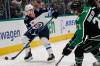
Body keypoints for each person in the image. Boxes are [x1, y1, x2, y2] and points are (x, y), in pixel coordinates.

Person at [62, 0, 100, 66]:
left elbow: (80, 38)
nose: (72, 12)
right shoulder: (89, 8)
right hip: (96, 36)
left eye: (72, 10)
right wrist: (71, 41)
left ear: (76, 10)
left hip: (97, 38)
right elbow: (81, 31)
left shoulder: (80, 20)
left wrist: (70, 48)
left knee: (78, 50)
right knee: (93, 48)